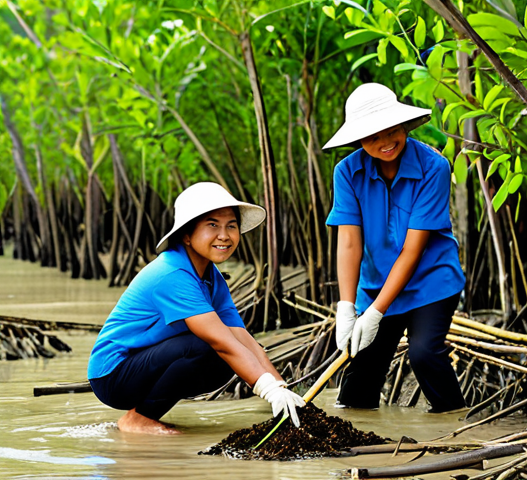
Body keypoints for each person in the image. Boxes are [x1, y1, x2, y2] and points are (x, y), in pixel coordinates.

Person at [87, 182, 304, 434]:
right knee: (207, 346)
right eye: (212, 225)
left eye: (231, 226)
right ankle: (139, 419)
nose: (224, 235)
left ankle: (143, 414)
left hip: (144, 364)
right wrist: (266, 389)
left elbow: (243, 338)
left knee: (227, 357)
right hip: (113, 375)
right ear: (186, 235)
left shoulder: (211, 277)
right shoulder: (172, 272)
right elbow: (220, 340)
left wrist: (280, 389)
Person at [323, 83, 467, 413]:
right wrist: (347, 307)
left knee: (424, 354)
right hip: (374, 284)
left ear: (403, 126)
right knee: (360, 370)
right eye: (373, 137)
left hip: (431, 281)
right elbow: (349, 242)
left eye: (392, 131)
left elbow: (413, 250)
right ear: (358, 139)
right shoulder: (346, 173)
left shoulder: (434, 167)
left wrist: (376, 313)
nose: (385, 143)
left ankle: (457, 427)